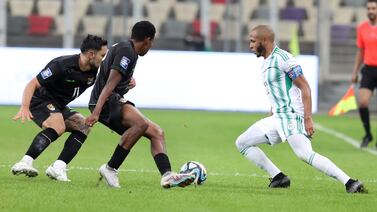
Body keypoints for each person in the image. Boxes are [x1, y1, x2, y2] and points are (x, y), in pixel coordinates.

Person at [235, 25, 366, 193]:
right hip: (277, 117)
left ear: (265, 41)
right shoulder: (266, 62)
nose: (250, 46)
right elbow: (277, 91)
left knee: (304, 154)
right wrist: (271, 112)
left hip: (290, 116)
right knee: (242, 142)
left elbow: (305, 88)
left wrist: (307, 118)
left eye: (253, 41)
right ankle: (278, 177)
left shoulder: (283, 59)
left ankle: (350, 183)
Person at [85, 21, 195, 189]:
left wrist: (125, 84)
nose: (150, 47)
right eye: (152, 42)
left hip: (112, 100)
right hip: (106, 102)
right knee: (141, 123)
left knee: (157, 132)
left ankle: (167, 175)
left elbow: (113, 80)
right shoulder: (126, 51)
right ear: (147, 40)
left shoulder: (127, 49)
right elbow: (108, 85)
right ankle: (110, 168)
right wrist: (96, 112)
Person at [11, 35, 108, 182]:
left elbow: (107, 85)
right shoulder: (61, 65)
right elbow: (32, 84)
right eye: (102, 55)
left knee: (83, 125)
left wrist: (126, 83)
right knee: (58, 125)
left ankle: (58, 168)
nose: (104, 59)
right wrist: (24, 107)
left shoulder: (93, 70)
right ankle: (24, 162)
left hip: (59, 105)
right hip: (40, 100)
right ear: (91, 55)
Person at [351, 0, 377, 148]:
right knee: (363, 102)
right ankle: (368, 134)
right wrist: (354, 72)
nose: (371, 11)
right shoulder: (362, 28)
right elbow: (360, 52)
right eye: (369, 8)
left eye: (374, 8)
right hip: (368, 69)